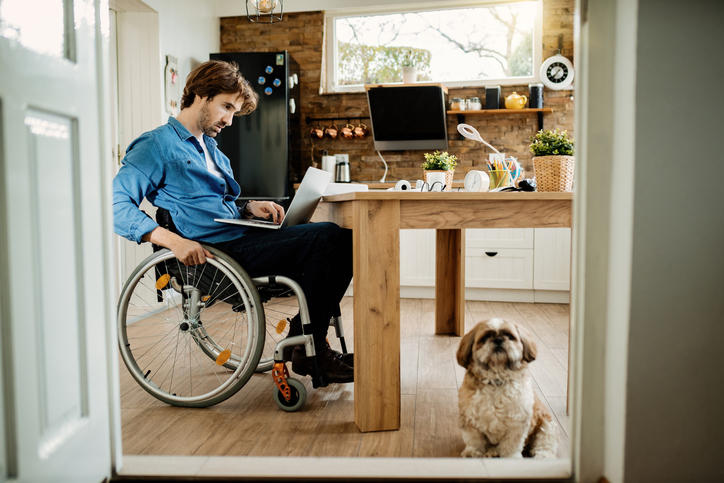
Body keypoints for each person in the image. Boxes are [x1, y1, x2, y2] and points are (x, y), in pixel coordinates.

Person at [113, 60, 354, 383]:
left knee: (340, 239)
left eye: (234, 111)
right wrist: (173, 241)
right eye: (225, 107)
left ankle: (306, 342)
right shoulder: (156, 145)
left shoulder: (211, 149)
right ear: (200, 94)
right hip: (217, 254)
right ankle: (310, 349)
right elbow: (115, 205)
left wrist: (249, 208)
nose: (229, 120)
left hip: (237, 239)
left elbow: (212, 206)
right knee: (329, 238)